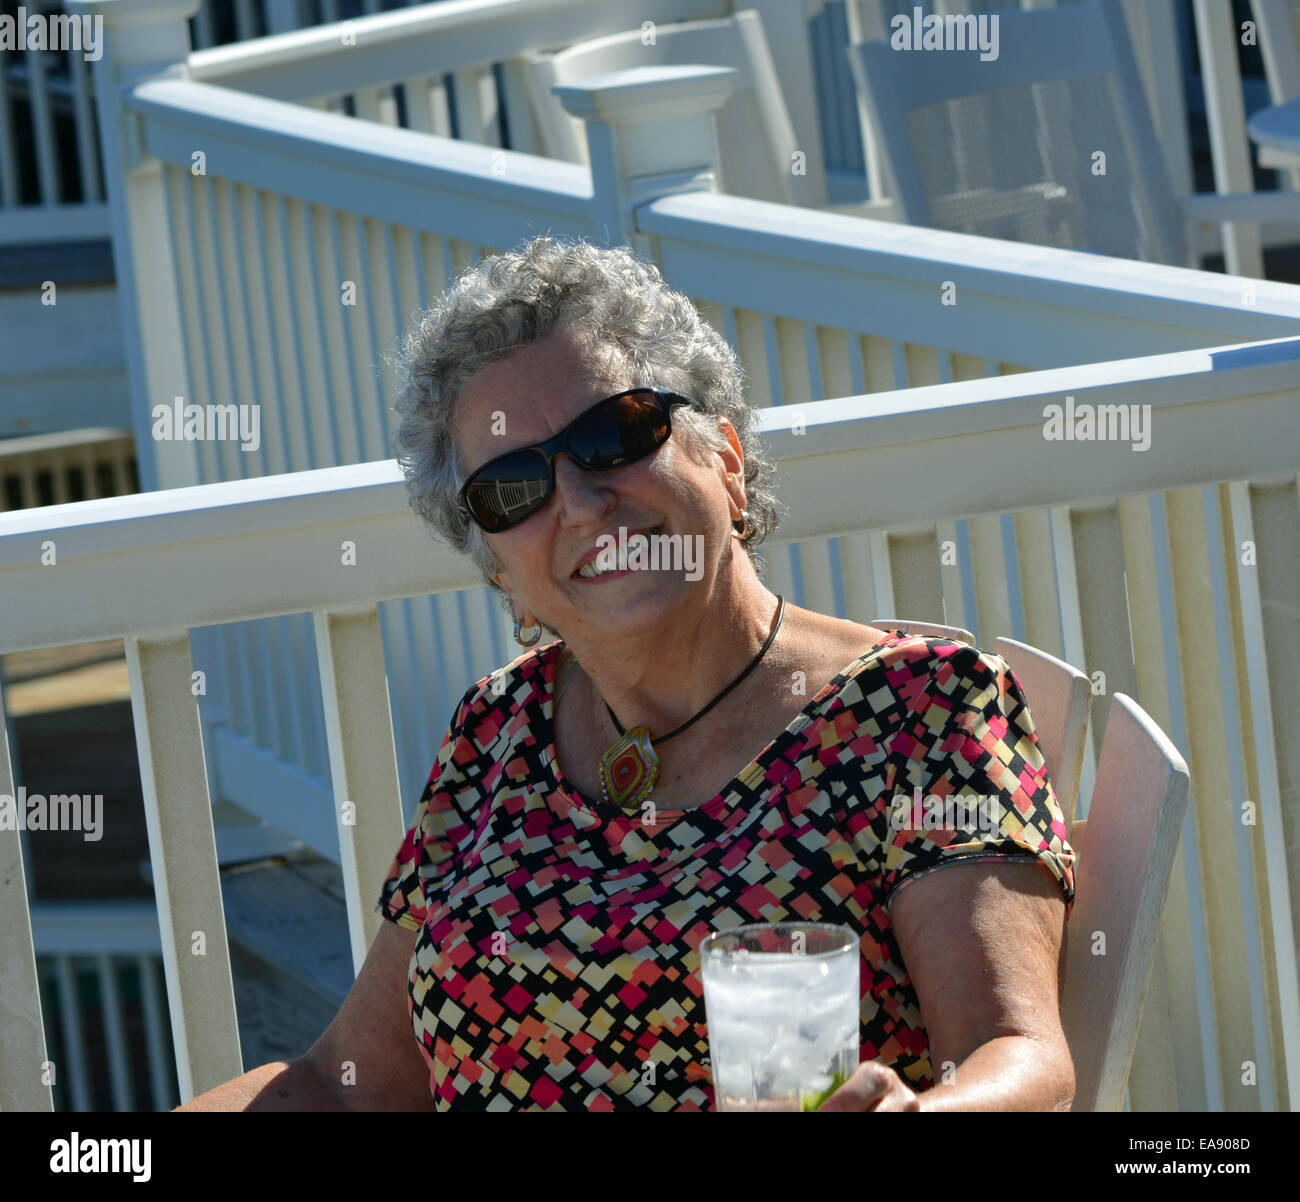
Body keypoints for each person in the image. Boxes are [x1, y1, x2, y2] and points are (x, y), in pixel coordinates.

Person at [177, 236, 1076, 1113]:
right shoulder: (496, 732)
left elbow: (1016, 1054)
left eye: (614, 434)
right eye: (513, 488)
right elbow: (348, 1084)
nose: (577, 501)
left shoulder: (918, 711)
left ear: (725, 460)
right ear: (500, 570)